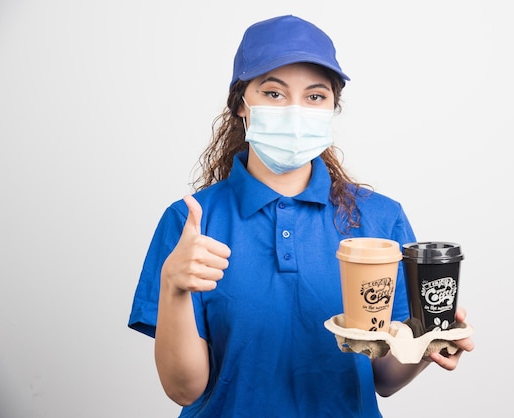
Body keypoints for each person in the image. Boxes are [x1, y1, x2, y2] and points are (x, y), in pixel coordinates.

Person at [128, 14, 474, 417]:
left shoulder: (380, 220)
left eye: (315, 96)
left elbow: (384, 377)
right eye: (273, 93)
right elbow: (183, 390)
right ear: (241, 103)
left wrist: (426, 345)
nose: (295, 111)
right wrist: (173, 285)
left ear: (332, 107)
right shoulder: (190, 222)